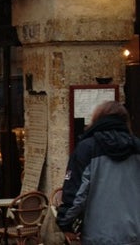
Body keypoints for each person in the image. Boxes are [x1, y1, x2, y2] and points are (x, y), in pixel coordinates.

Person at [56, 101, 140, 244]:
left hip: (97, 235)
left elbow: (76, 194)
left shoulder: (87, 148)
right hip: (134, 233)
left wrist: (66, 223)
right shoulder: (136, 147)